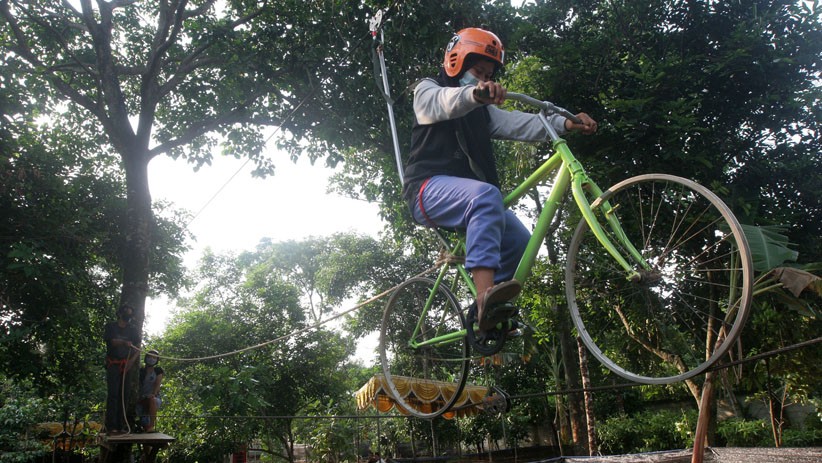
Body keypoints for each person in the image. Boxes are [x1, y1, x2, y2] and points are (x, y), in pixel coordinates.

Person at [402, 27, 598, 332]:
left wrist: (565, 122)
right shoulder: (428, 90)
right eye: (478, 71)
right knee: (486, 195)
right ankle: (485, 297)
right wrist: (475, 94)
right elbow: (444, 103)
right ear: (457, 62)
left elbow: (521, 123)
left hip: (467, 197)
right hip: (426, 190)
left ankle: (490, 311)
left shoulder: (482, 112)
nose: (483, 79)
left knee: (521, 241)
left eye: (488, 75)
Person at [103, 303, 141, 434]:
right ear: (120, 313)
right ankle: (111, 426)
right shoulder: (111, 327)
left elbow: (138, 347)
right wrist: (124, 343)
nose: (128, 316)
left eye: (130, 314)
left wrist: (131, 362)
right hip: (113, 364)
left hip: (126, 365)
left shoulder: (133, 330)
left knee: (124, 395)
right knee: (113, 394)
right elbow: (111, 341)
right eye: (126, 313)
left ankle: (120, 425)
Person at [136, 349, 164, 432]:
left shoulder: (158, 370)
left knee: (152, 400)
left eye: (154, 358)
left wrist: (153, 394)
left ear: (157, 360)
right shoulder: (141, 371)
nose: (151, 359)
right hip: (141, 398)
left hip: (153, 397)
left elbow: (157, 385)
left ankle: (151, 426)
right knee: (143, 421)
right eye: (149, 357)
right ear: (146, 358)